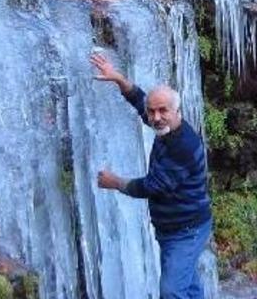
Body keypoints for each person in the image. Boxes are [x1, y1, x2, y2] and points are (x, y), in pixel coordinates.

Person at [90, 52, 212, 299]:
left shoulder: (183, 147)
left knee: (172, 290)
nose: (155, 117)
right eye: (152, 111)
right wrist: (119, 79)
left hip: (187, 230)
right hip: (173, 228)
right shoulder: (166, 127)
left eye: (162, 111)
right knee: (188, 286)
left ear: (177, 112)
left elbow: (152, 186)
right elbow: (141, 101)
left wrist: (114, 182)